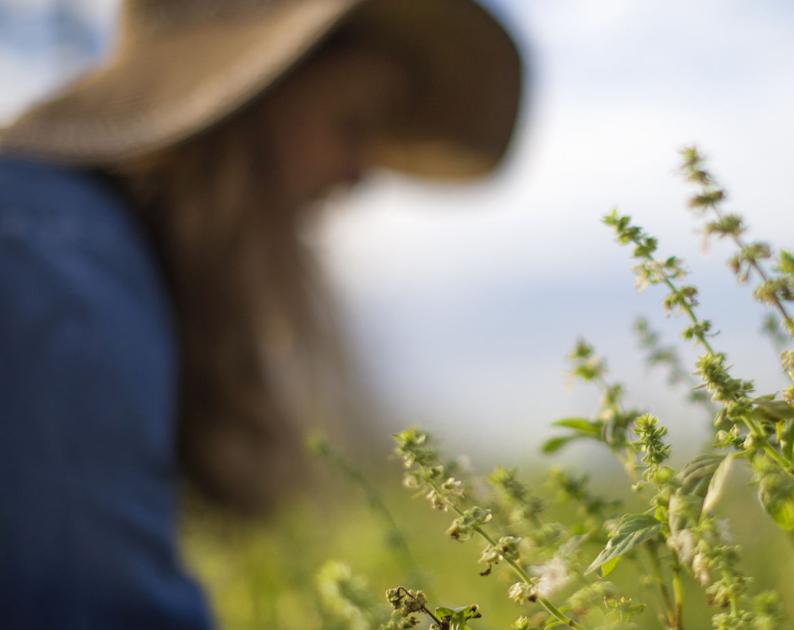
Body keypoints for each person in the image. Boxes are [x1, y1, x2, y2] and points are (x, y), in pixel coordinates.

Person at [0, 0, 521, 627]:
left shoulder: (73, 248)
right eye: (351, 124)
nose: (357, 175)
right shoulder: (61, 281)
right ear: (247, 98)